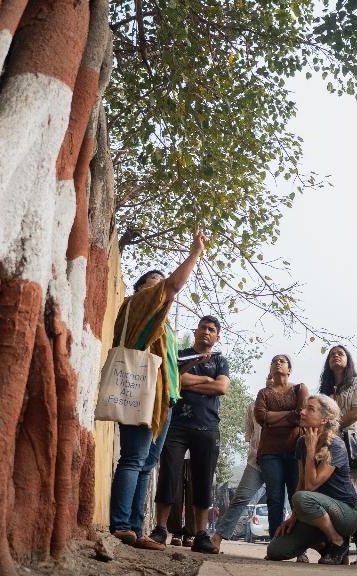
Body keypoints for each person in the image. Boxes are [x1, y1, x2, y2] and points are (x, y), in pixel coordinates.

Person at [108, 229, 205, 549]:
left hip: (163, 398)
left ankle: (136, 529)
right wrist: (194, 254)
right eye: (154, 279)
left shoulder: (160, 320)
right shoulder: (138, 303)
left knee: (147, 465)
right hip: (142, 392)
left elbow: (169, 362)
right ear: (141, 287)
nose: (161, 283)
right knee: (133, 459)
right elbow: (173, 285)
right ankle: (122, 524)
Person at [156, 315, 230, 554]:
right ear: (196, 331)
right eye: (202, 328)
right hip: (176, 424)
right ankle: (160, 530)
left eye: (211, 329)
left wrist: (187, 382)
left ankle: (200, 534)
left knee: (203, 481)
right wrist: (205, 379)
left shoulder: (221, 361)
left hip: (207, 426)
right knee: (169, 474)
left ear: (217, 337)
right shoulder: (181, 354)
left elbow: (221, 387)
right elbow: (174, 378)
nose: (206, 332)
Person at [266, 394, 357, 564]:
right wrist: (294, 517)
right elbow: (302, 483)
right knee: (275, 550)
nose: (302, 412)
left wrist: (311, 452)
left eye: (310, 409)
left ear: (324, 419)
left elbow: (310, 486)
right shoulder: (301, 443)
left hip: (346, 514)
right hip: (315, 510)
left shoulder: (336, 445)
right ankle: (327, 548)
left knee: (302, 498)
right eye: (304, 408)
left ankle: (338, 541)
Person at [319, 345, 357, 566]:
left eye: (340, 353)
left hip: (354, 447)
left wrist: (332, 429)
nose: (336, 356)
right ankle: (340, 552)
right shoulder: (325, 388)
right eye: (332, 354)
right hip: (331, 447)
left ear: (348, 359)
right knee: (336, 497)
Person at [256, 355, 309, 540]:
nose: (277, 363)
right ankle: (276, 543)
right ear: (270, 370)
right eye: (274, 361)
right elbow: (261, 418)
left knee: (297, 498)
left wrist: (273, 417)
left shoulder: (299, 389)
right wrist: (289, 416)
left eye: (282, 361)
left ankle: (299, 544)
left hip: (296, 451)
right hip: (269, 453)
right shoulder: (263, 393)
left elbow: (301, 417)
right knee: (275, 499)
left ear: (289, 369)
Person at [211, 384, 268, 552]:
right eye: (269, 377)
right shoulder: (252, 406)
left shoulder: (290, 405)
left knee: (282, 502)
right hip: (256, 461)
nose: (271, 380)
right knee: (240, 498)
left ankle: (295, 549)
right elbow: (250, 437)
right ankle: (217, 537)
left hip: (280, 461)